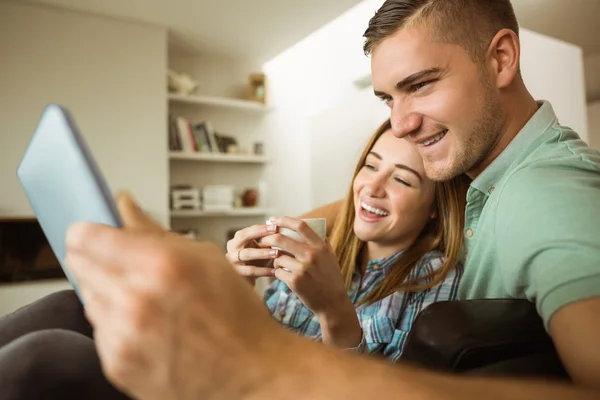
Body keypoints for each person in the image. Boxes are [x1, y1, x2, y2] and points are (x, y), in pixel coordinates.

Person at [11, 0, 600, 398]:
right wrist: (261, 242)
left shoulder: (548, 195)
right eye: (387, 98)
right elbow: (365, 204)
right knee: (68, 307)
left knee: (46, 357)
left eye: (421, 84)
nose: (404, 120)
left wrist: (263, 361)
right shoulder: (479, 168)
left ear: (500, 58)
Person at [225, 119, 467, 359]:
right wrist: (237, 290)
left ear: (435, 206)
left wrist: (334, 311)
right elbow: (251, 349)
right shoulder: (314, 254)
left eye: (402, 180)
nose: (372, 188)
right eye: (371, 166)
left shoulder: (436, 277)